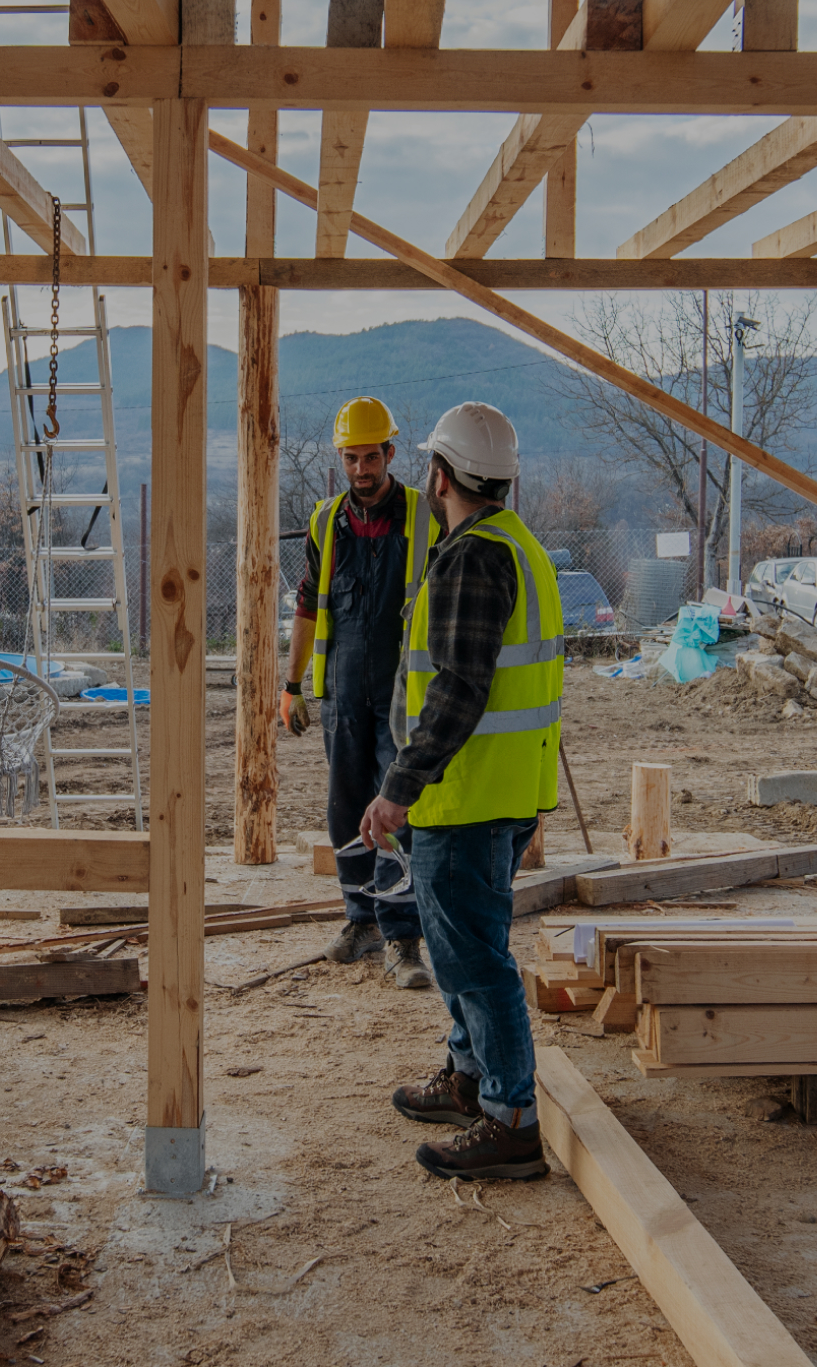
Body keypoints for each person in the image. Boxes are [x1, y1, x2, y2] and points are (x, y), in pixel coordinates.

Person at [360, 401, 565, 1181]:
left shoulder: (473, 557)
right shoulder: (518, 546)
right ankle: (470, 1078)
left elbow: (458, 690)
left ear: (440, 474)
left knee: (475, 961)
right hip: (493, 793)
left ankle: (510, 1117)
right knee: (457, 953)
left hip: (467, 799)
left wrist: (398, 789)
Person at [285, 396, 439, 988]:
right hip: (343, 695)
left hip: (405, 698)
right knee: (347, 811)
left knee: (397, 814)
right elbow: (305, 605)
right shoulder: (327, 522)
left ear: (391, 454)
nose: (361, 470)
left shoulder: (427, 517)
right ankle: (360, 921)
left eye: (371, 457)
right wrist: (291, 684)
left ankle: (403, 938)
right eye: (351, 458)